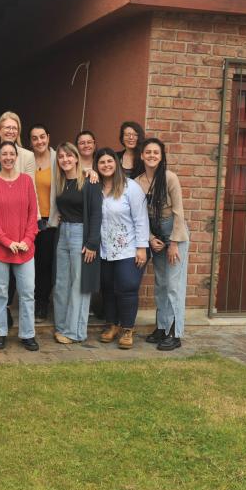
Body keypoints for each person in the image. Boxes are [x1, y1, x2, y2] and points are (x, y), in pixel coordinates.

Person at [0, 141, 39, 351]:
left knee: (27, 292)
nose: (8, 157)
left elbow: (33, 213)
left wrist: (27, 240)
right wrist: (7, 241)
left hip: (25, 248)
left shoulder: (26, 181)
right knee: (0, 291)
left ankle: (27, 334)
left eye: (11, 154)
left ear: (17, 157)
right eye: (3, 154)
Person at [136, 138, 189, 351]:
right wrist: (150, 238)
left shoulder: (170, 178)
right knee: (161, 284)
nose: (151, 155)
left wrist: (174, 243)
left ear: (161, 155)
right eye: (147, 152)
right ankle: (162, 326)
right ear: (142, 155)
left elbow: (179, 211)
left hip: (174, 233)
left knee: (174, 285)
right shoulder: (138, 182)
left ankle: (175, 333)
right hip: (155, 234)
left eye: (156, 152)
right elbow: (139, 215)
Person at [94, 148, 149, 349]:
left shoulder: (130, 187)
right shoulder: (95, 187)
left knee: (126, 287)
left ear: (116, 164)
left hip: (128, 249)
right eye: (102, 162)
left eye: (110, 161)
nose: (106, 165)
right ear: (97, 166)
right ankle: (113, 325)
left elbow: (141, 219)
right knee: (108, 287)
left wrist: (142, 247)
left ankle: (127, 329)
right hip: (105, 249)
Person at [52, 142, 102, 344]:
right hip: (63, 233)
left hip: (81, 233)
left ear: (76, 158)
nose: (65, 160)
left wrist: (92, 243)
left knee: (78, 284)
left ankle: (75, 332)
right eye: (61, 156)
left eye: (69, 156)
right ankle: (62, 326)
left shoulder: (89, 181)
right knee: (62, 282)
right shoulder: (61, 181)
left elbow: (97, 214)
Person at [28, 124, 59, 322]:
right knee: (28, 263)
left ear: (48, 137)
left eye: (42, 137)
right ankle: (27, 300)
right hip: (29, 219)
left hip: (50, 221)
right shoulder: (25, 159)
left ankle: (41, 304)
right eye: (35, 138)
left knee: (44, 264)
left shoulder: (58, 158)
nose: (39, 141)